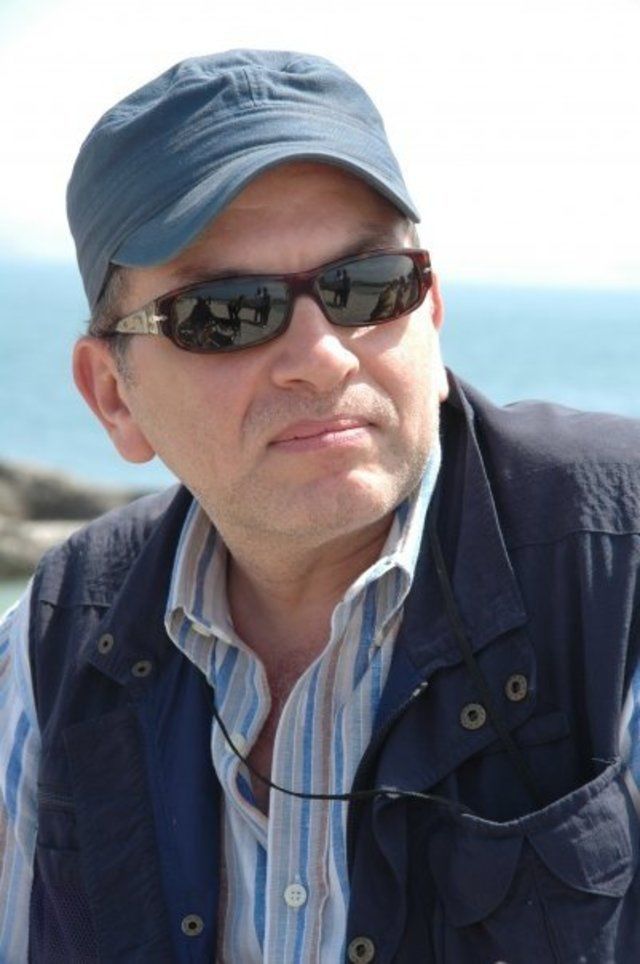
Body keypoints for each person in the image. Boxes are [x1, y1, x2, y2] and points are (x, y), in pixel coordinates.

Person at [1, 49, 639, 964]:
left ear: (431, 312)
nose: (323, 355)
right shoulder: (53, 642)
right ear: (113, 395)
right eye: (226, 312)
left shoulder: (619, 572)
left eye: (367, 286)